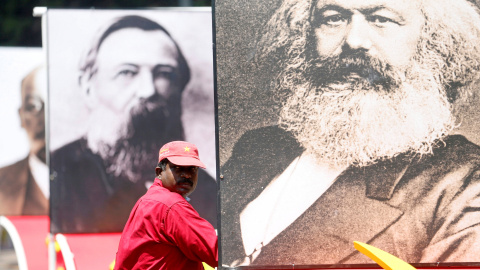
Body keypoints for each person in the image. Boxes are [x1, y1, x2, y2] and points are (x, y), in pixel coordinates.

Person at [220, 0, 480, 267]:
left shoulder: (464, 185)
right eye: (333, 18)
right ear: (307, 35)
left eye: (382, 19)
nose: (354, 41)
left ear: (433, 40)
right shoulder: (257, 147)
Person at [50, 15, 216, 233]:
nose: (148, 90)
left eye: (164, 74)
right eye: (127, 72)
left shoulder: (202, 187)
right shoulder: (58, 173)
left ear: (179, 90)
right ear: (88, 87)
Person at [114, 141, 217, 270]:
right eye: (178, 168)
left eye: (192, 169)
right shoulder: (171, 205)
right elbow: (219, 253)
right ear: (159, 172)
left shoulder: (149, 200)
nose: (187, 175)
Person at [0, 66, 48, 215]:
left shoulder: (100, 182)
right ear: (21, 115)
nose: (46, 117)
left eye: (55, 105)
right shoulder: (2, 183)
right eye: (34, 106)